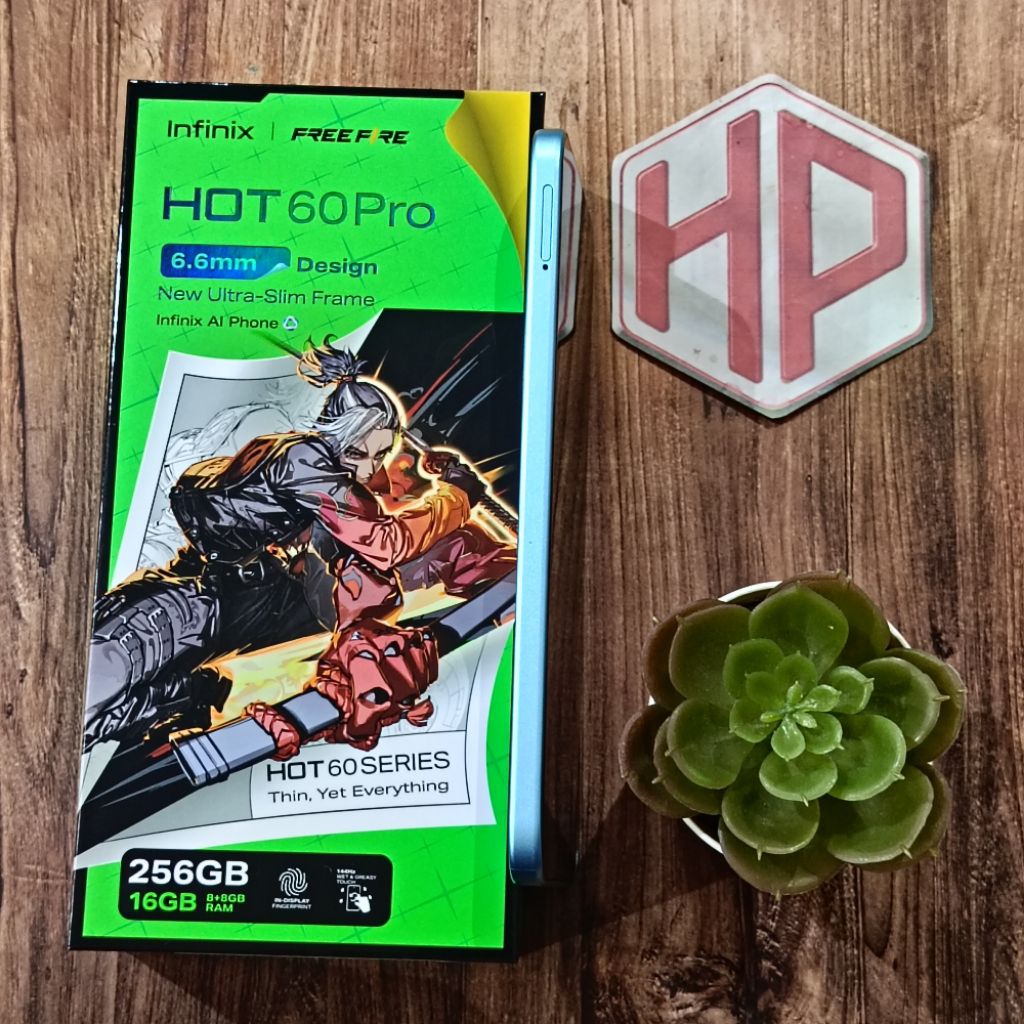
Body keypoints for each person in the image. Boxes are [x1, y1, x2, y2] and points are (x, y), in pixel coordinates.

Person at [84, 342, 515, 752]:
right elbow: (386, 543)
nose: (370, 469)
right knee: (92, 695)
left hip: (239, 605)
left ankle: (199, 696)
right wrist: (457, 495)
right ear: (343, 433)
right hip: (181, 607)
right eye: (363, 453)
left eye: (381, 456)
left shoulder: (312, 474)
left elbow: (365, 552)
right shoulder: (302, 458)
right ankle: (195, 697)